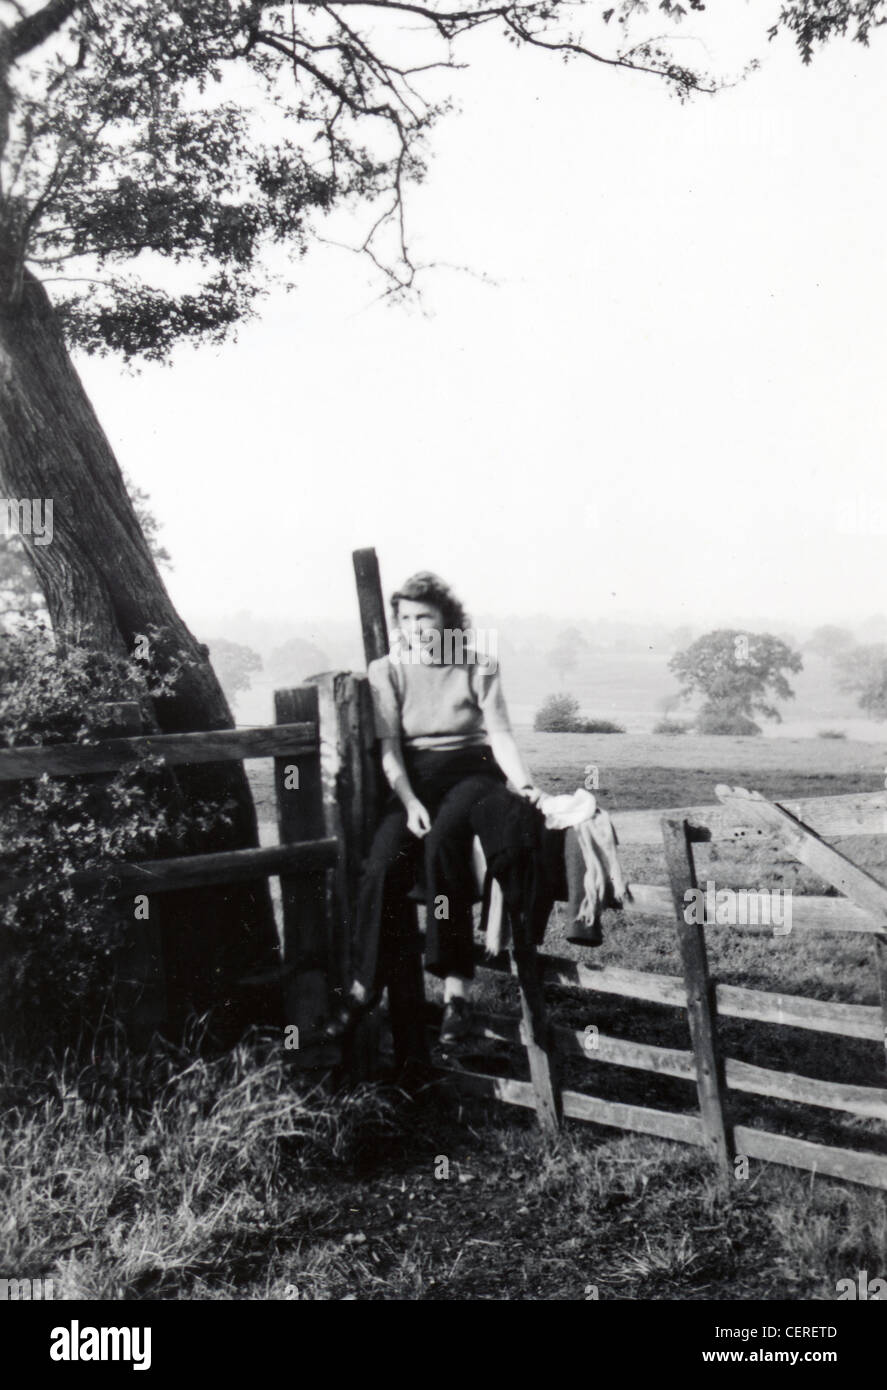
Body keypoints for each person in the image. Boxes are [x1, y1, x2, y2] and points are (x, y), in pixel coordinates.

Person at [326, 571, 543, 1046]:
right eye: (405, 618)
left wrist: (524, 784)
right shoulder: (388, 669)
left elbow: (500, 734)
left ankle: (456, 994)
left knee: (444, 844)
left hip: (471, 769)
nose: (415, 626)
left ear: (447, 619)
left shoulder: (477, 664)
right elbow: (390, 749)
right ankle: (364, 986)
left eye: (425, 616)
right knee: (381, 864)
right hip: (415, 777)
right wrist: (407, 803)